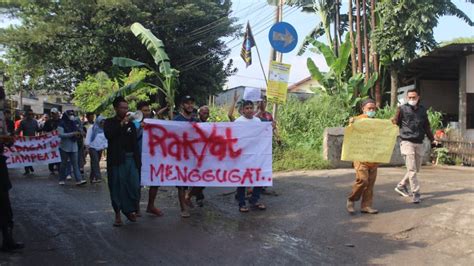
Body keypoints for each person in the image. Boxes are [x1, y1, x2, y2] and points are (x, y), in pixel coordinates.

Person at [392, 89, 435, 204]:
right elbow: (395, 121)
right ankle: (416, 193)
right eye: (409, 97)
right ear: (407, 98)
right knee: (412, 170)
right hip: (407, 142)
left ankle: (401, 185)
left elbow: (426, 127)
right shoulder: (402, 109)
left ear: (418, 97)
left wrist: (433, 139)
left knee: (416, 169)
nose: (411, 99)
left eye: (414, 97)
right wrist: (394, 118)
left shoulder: (422, 110)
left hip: (419, 142)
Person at [104, 96, 141, 226]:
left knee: (134, 186)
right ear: (115, 108)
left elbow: (135, 143)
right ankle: (118, 214)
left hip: (131, 159)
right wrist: (122, 123)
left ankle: (129, 209)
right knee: (117, 186)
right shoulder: (109, 122)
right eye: (122, 108)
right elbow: (110, 135)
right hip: (117, 160)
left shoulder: (131, 124)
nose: (125, 110)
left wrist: (138, 161)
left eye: (127, 108)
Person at [0, 86, 24, 252]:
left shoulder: (1, 115)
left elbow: (5, 136)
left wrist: (9, 140)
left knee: (4, 203)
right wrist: (7, 138)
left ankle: (8, 238)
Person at [346, 99, 380, 214]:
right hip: (360, 157)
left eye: (373, 109)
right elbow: (350, 131)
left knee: (370, 184)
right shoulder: (358, 120)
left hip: (373, 157)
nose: (371, 110)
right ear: (363, 109)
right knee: (363, 180)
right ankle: (351, 199)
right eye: (369, 108)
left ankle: (366, 206)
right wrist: (351, 122)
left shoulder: (377, 123)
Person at [234, 100, 266, 213]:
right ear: (242, 110)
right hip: (242, 156)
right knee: (242, 180)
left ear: (253, 109)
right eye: (246, 108)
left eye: (251, 108)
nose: (249, 110)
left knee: (259, 177)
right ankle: (241, 203)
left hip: (256, 155)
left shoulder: (257, 121)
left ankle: (254, 200)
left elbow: (263, 132)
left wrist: (270, 126)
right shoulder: (238, 122)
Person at [134, 101, 163, 217]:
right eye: (145, 110)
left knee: (155, 181)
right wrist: (140, 128)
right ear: (139, 112)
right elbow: (132, 137)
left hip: (153, 157)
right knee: (138, 183)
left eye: (148, 110)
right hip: (139, 157)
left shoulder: (153, 123)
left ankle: (150, 205)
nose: (147, 112)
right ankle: (136, 207)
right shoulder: (134, 123)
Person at [173, 95, 199, 218]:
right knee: (181, 183)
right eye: (187, 103)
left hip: (194, 156)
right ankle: (183, 208)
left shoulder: (196, 121)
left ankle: (188, 197)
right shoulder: (177, 120)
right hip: (181, 156)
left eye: (192, 103)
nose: (190, 105)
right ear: (182, 105)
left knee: (199, 181)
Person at [185, 105, 210, 208]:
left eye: (207, 113)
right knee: (201, 180)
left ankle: (195, 196)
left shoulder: (208, 124)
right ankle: (189, 196)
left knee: (203, 179)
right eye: (204, 113)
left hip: (204, 156)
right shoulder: (194, 122)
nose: (206, 115)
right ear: (199, 113)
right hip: (194, 156)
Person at [58, 110, 87, 186]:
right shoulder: (61, 124)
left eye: (72, 114)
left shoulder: (74, 123)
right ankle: (61, 179)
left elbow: (79, 131)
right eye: (70, 115)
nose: (72, 116)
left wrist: (80, 133)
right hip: (64, 147)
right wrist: (72, 134)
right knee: (63, 164)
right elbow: (61, 135)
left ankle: (79, 180)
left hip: (74, 146)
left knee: (75, 164)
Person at [15, 109, 39, 175]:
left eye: (32, 114)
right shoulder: (23, 122)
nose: (31, 115)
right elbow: (18, 130)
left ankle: (30, 165)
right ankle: (27, 169)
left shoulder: (35, 122)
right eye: (29, 114)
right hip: (25, 142)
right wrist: (14, 135)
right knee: (25, 155)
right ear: (26, 115)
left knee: (31, 155)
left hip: (33, 141)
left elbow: (38, 130)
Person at [84, 115, 107, 184]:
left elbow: (105, 138)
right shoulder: (92, 128)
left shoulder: (104, 129)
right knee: (95, 161)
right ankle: (98, 177)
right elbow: (88, 137)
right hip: (92, 147)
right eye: (101, 122)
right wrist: (87, 146)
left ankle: (92, 177)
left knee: (94, 162)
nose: (102, 123)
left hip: (100, 148)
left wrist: (105, 145)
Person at [43, 108, 61, 175]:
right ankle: (51, 168)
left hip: (59, 142)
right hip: (50, 142)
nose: (53, 115)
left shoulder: (61, 121)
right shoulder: (48, 122)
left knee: (59, 154)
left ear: (57, 113)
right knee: (51, 154)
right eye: (52, 113)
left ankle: (59, 167)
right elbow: (44, 131)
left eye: (55, 113)